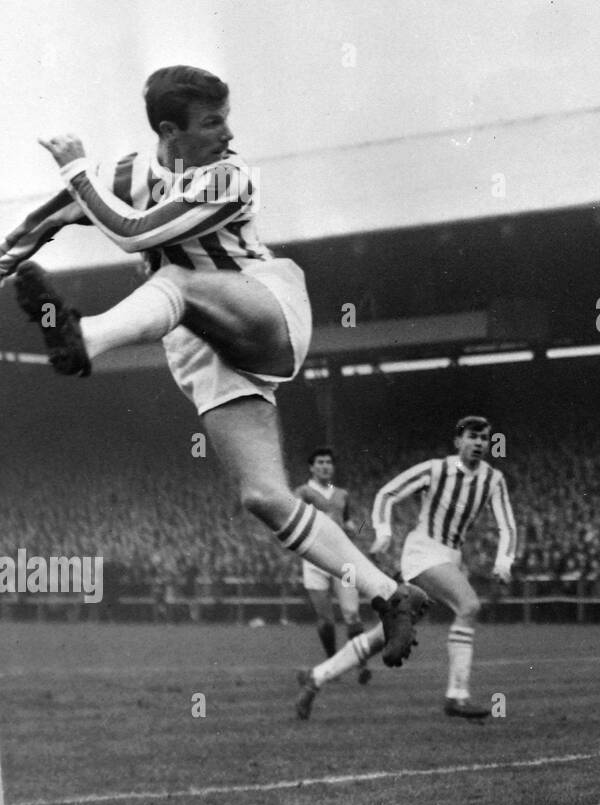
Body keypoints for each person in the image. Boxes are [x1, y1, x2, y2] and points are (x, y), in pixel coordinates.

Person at [0, 65, 427, 664]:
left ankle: (85, 339)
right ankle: (390, 594)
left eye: (227, 117)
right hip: (199, 346)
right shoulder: (124, 174)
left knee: (175, 275)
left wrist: (75, 171)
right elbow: (41, 223)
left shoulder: (232, 177)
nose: (228, 132)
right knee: (264, 496)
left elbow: (134, 233)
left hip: (262, 307)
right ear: (170, 132)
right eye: (212, 122)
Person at [296, 416, 517, 721]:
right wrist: (384, 532)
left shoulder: (493, 480)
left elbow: (508, 524)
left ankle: (317, 676)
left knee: (385, 634)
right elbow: (387, 493)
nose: (479, 443)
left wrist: (504, 561)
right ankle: (457, 696)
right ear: (458, 441)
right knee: (468, 605)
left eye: (485, 438)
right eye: (472, 437)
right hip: (422, 551)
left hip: (449, 557)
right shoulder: (436, 469)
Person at [295, 446, 371, 684]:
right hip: (314, 560)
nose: (326, 466)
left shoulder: (342, 494)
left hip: (343, 562)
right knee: (326, 619)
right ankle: (332, 664)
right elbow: (294, 517)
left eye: (329, 462)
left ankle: (361, 666)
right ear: (311, 467)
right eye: (320, 462)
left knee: (352, 614)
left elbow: (348, 521)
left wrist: (361, 528)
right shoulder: (303, 492)